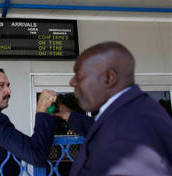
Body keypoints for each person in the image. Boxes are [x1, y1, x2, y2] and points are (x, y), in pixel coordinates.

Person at [40, 41, 172, 175]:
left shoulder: (134, 129)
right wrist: (67, 115)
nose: (72, 82)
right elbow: (100, 128)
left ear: (109, 78)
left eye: (80, 75)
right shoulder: (129, 112)